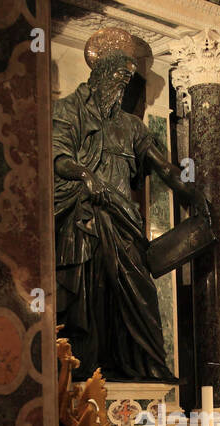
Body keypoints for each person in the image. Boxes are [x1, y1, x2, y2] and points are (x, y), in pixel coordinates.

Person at [54, 28, 208, 381]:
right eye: (119, 77)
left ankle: (147, 366)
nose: (122, 87)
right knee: (91, 297)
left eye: (127, 81)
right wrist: (84, 175)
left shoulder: (131, 127)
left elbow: (163, 167)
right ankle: (86, 369)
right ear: (102, 73)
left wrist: (191, 193)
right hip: (86, 218)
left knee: (139, 291)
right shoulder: (69, 111)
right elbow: (58, 156)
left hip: (123, 218)